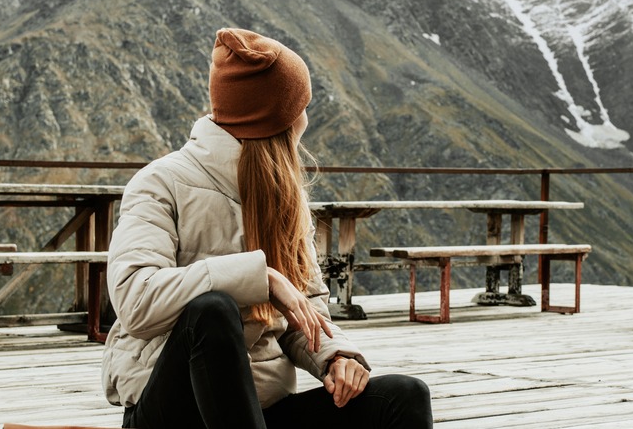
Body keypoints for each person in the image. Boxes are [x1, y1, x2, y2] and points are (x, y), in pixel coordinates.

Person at [102, 27, 433, 429]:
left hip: (259, 411)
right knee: (212, 311)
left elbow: (304, 309)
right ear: (275, 123)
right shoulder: (160, 183)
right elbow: (135, 301)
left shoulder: (284, 199)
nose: (306, 121)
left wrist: (336, 356)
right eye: (300, 110)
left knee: (404, 397)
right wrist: (261, 277)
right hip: (172, 413)